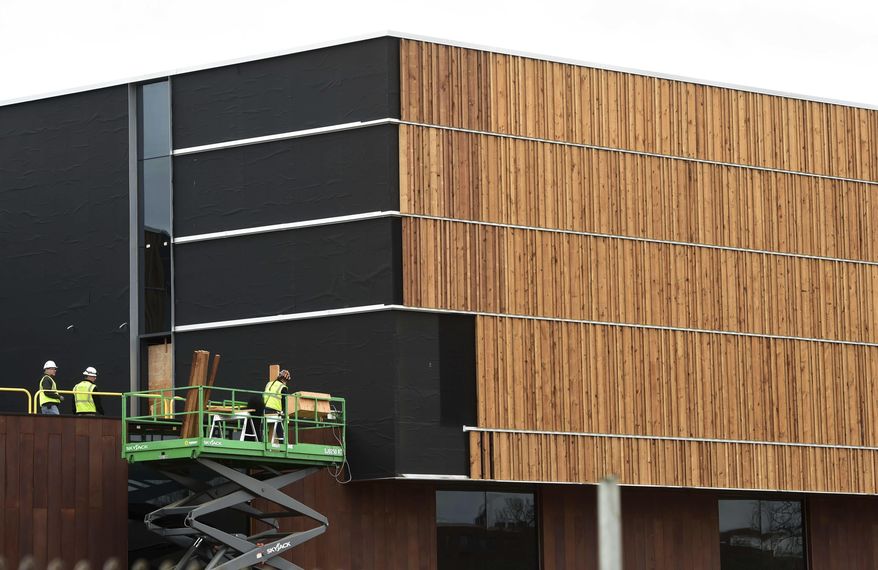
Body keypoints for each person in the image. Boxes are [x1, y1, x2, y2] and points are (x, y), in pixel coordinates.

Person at [263, 369, 291, 441]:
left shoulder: (269, 384)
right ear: (285, 380)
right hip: (274, 411)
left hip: (265, 410)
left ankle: (263, 441)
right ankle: (282, 445)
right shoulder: (283, 387)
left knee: (265, 429)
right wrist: (283, 411)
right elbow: (284, 401)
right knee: (280, 430)